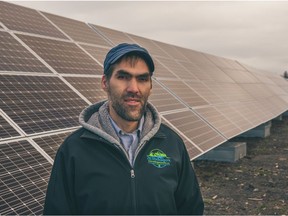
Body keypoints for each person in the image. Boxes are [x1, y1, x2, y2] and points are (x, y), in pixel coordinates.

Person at [43, 43, 204, 215]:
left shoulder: (171, 144)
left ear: (150, 86)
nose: (133, 88)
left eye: (142, 79)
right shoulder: (74, 149)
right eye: (123, 77)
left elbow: (191, 209)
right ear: (105, 82)